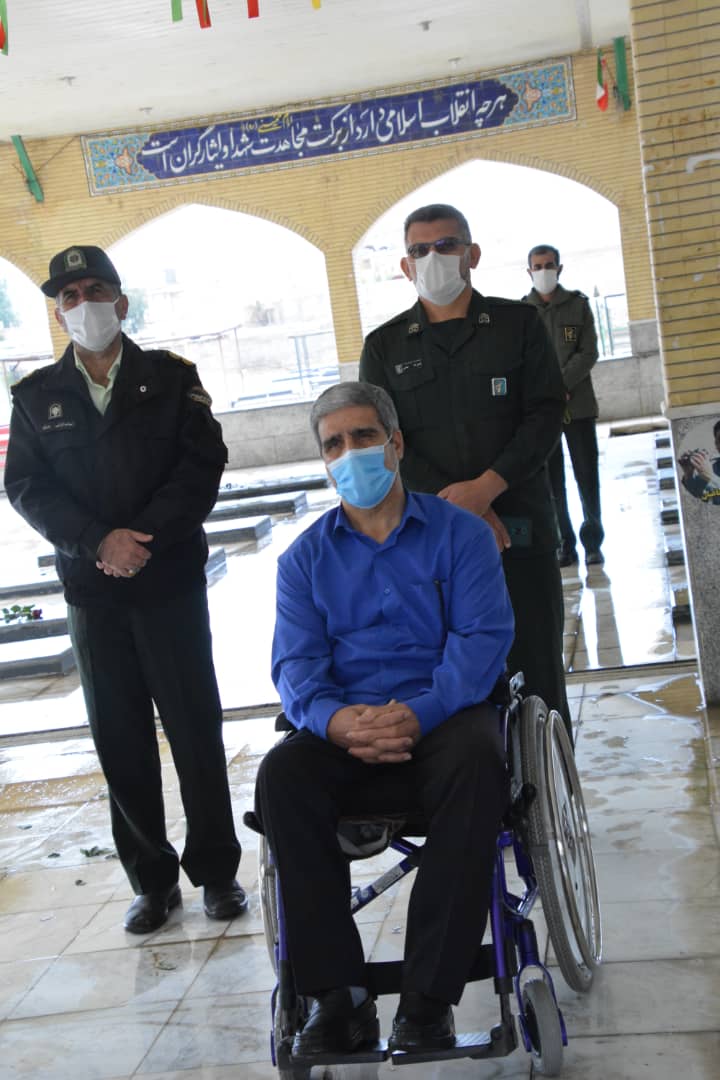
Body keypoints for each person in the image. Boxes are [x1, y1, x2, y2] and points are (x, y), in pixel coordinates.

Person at [254, 381, 514, 1057]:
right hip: (349, 730)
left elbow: (481, 642)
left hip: (444, 718)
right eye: (333, 444)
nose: (350, 453)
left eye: (364, 436)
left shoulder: (461, 536)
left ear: (395, 444)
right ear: (323, 460)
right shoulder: (303, 561)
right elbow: (296, 666)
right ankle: (337, 998)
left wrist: (418, 714)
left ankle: (428, 999)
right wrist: (338, 722)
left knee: (481, 759)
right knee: (283, 774)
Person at [4, 245, 247, 933]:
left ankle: (217, 872)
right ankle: (151, 880)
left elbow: (202, 464)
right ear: (59, 314)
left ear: (121, 302)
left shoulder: (171, 380)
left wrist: (141, 539)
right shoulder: (36, 395)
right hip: (93, 592)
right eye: (69, 296)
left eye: (94, 290)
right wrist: (96, 541)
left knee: (194, 728)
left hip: (168, 582)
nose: (83, 304)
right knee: (119, 737)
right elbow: (26, 487)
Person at [359, 204, 571, 737]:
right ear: (405, 266)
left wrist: (486, 490)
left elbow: (545, 414)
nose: (433, 257)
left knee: (537, 675)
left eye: (446, 245)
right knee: (450, 686)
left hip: (518, 529)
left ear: (471, 255)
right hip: (432, 543)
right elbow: (384, 440)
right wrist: (462, 509)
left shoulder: (518, 325)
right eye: (419, 250)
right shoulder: (383, 347)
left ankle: (551, 785)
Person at [523, 244, 605, 567]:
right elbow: (522, 361)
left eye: (549, 265)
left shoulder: (577, 305)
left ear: (559, 268)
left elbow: (588, 352)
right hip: (543, 413)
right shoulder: (522, 313)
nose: (543, 271)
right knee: (551, 483)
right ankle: (564, 544)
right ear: (529, 271)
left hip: (578, 407)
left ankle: (593, 543)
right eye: (537, 266)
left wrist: (561, 385)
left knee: (587, 476)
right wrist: (549, 391)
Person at [678, 421, 720, 505]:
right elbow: (697, 494)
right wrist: (689, 474)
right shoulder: (713, 466)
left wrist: (711, 477)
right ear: (716, 444)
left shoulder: (709, 472)